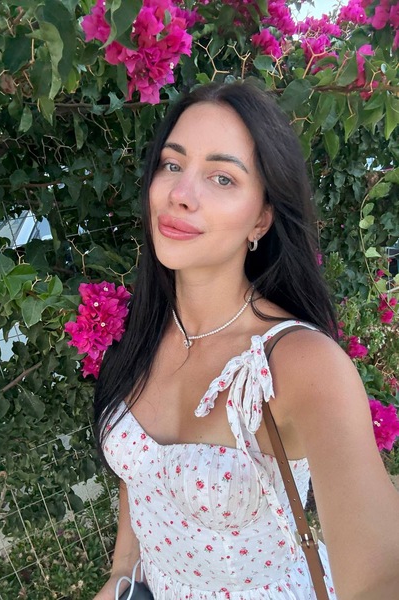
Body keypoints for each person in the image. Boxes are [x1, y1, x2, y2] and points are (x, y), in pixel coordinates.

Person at [92, 81, 399, 600]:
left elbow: (380, 573)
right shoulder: (139, 332)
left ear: (261, 218)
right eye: (172, 164)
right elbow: (140, 480)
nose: (181, 194)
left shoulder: (299, 363)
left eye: (222, 177)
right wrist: (123, 574)